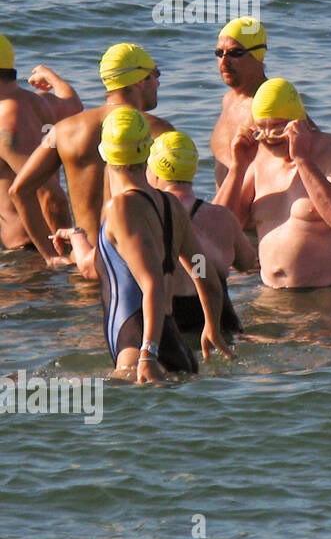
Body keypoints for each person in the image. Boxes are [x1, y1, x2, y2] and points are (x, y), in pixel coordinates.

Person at [93, 108, 233, 382]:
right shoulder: (170, 205)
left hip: (137, 352)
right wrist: (212, 327)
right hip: (174, 348)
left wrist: (148, 354)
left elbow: (153, 284)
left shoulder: (121, 208)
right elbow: (203, 271)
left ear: (103, 153)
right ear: (147, 151)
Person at [9, 43, 172, 274]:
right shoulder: (158, 130)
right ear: (139, 80)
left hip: (84, 263)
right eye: (155, 74)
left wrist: (52, 256)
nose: (158, 81)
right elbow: (174, 202)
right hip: (130, 266)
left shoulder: (63, 130)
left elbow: (19, 190)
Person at [215, 78, 331, 288]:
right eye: (260, 130)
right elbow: (218, 227)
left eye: (278, 128)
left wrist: (303, 160)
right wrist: (238, 168)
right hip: (272, 295)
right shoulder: (258, 160)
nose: (269, 138)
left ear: (299, 122)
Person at [147, 131, 254, 334]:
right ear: (194, 169)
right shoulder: (222, 217)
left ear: (155, 173)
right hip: (220, 318)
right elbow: (246, 262)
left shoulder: (145, 217)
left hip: (169, 321)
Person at [0, 35, 79, 250]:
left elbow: (51, 194)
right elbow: (73, 105)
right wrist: (51, 77)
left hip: (28, 254)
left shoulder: (7, 121)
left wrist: (62, 254)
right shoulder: (41, 102)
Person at [210, 17, 270, 187]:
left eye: (235, 53)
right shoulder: (228, 99)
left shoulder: (268, 104)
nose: (224, 61)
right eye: (219, 53)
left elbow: (312, 146)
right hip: (224, 210)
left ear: (258, 55)